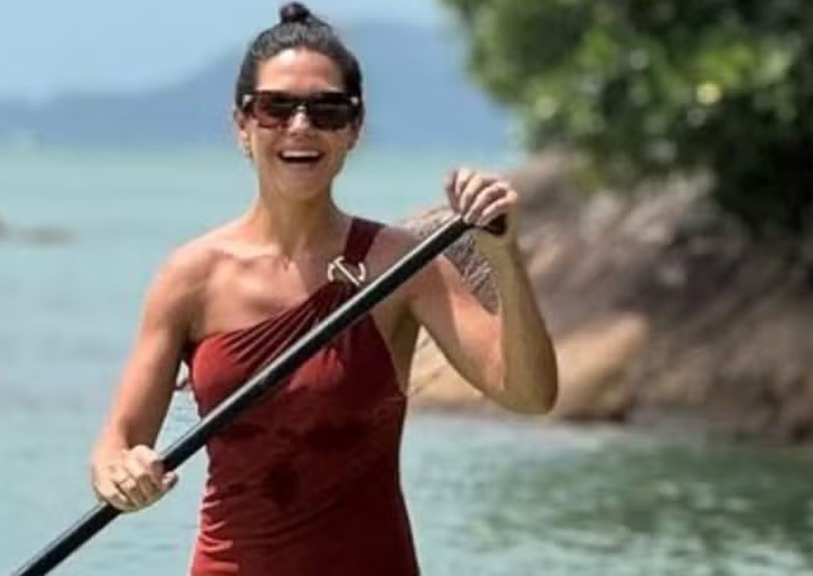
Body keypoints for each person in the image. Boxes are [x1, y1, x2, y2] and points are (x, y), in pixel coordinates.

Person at [90, 3, 558, 574]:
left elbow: (529, 395)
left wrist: (504, 258)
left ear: (353, 129)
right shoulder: (191, 276)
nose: (300, 126)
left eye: (326, 110)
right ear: (242, 125)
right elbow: (118, 443)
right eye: (276, 107)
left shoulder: (401, 265)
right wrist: (120, 475)